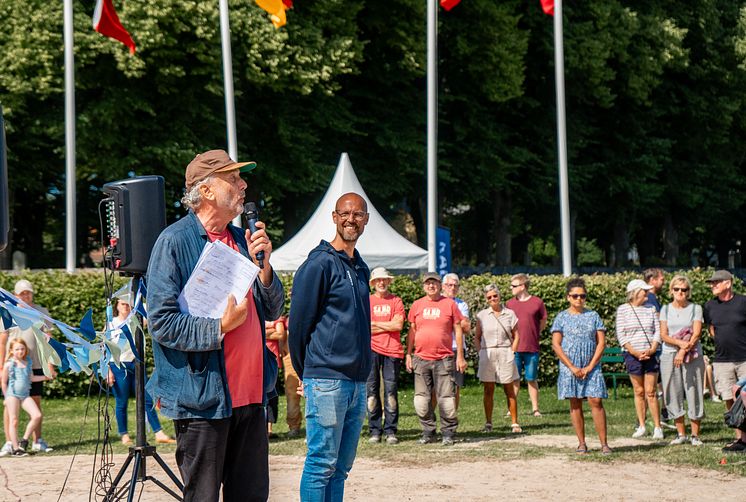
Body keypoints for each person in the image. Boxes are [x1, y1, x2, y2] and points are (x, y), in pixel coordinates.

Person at [146, 149, 284, 502]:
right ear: (206, 191)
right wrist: (219, 327)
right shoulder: (174, 242)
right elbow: (161, 324)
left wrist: (265, 269)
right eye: (234, 179)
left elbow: (273, 309)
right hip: (203, 400)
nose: (244, 185)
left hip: (253, 396)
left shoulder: (242, 241)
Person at [289, 192, 372, 502]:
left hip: (357, 382)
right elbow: (298, 326)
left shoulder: (361, 268)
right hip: (326, 380)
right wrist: (306, 373)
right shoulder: (318, 264)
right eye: (345, 214)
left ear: (366, 220)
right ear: (335, 218)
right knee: (321, 463)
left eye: (358, 214)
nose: (351, 219)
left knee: (340, 469)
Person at [550, 277, 611, 455]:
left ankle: (604, 443)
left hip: (591, 364)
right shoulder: (561, 317)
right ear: (568, 297)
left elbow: (601, 343)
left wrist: (590, 366)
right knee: (575, 402)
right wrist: (572, 367)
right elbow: (556, 345)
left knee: (596, 400)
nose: (579, 299)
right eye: (575, 296)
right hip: (570, 366)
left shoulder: (593, 316)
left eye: (582, 296)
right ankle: (581, 443)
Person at [406, 272, 467, 446]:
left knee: (446, 399)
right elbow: (412, 331)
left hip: (444, 359)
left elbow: (459, 330)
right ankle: (428, 431)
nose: (431, 286)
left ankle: (448, 433)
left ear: (440, 285)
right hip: (420, 358)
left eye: (434, 283)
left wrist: (460, 356)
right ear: (423, 286)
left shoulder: (449, 304)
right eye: (428, 283)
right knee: (421, 400)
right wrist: (408, 354)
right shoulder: (417, 305)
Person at [106, 293, 175, 445]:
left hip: (136, 363)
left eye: (128, 304)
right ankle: (124, 434)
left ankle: (159, 433)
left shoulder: (136, 319)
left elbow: (150, 310)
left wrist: (136, 299)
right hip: (118, 366)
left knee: (147, 399)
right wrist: (108, 371)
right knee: (121, 401)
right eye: (123, 304)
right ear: (117, 306)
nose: (126, 307)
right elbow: (105, 350)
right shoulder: (111, 324)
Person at [0, 279, 56, 456]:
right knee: (10, 405)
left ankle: (37, 440)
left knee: (36, 402)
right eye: (22, 293)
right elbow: (2, 341)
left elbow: (49, 340)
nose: (25, 295)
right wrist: (1, 366)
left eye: (28, 292)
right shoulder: (8, 312)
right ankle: (10, 442)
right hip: (14, 365)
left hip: (36, 363)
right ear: (16, 295)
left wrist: (50, 364)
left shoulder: (41, 312)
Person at [659, 275, 705, 446]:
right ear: (671, 291)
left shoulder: (696, 308)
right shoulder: (665, 309)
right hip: (669, 354)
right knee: (672, 391)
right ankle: (680, 434)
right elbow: (664, 335)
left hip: (692, 355)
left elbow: (697, 333)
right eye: (677, 289)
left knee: (694, 390)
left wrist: (683, 351)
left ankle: (695, 435)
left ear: (688, 291)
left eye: (684, 289)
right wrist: (679, 345)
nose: (680, 292)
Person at [703, 270, 746, 453]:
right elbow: (711, 329)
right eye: (712, 283)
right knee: (730, 399)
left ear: (728, 283)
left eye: (716, 282)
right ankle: (740, 439)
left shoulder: (743, 302)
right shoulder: (709, 306)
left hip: (744, 358)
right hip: (722, 360)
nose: (713, 285)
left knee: (745, 398)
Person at [616, 279, 663, 440]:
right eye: (644, 290)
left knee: (651, 391)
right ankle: (642, 425)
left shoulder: (650, 309)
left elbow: (658, 331)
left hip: (650, 353)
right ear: (636, 292)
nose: (647, 293)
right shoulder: (622, 310)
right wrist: (635, 353)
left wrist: (652, 348)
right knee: (639, 391)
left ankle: (658, 427)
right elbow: (621, 335)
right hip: (632, 355)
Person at [475, 284, 521, 434]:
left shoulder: (510, 314)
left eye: (495, 296)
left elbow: (516, 335)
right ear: (486, 299)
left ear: (499, 296)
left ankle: (514, 422)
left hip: (505, 351)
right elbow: (477, 336)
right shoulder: (481, 315)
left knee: (509, 388)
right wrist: (480, 352)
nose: (492, 299)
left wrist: (512, 352)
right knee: (488, 389)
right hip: (487, 353)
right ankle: (488, 423)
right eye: (489, 297)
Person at [366, 266, 405, 445]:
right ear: (373, 283)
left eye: (384, 280)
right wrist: (386, 324)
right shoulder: (367, 301)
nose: (381, 283)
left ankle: (390, 430)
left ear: (388, 281)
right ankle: (375, 430)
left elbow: (398, 326)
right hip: (370, 350)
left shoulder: (396, 301)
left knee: (391, 392)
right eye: (378, 280)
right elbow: (363, 326)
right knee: (371, 392)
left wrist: (375, 324)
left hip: (392, 351)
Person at [506, 273, 547, 417]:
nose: (511, 288)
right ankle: (511, 408)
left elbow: (543, 322)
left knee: (531, 378)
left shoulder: (537, 302)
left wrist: (534, 333)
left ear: (522, 287)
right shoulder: (509, 304)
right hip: (514, 349)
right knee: (514, 380)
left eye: (514, 285)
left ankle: (535, 408)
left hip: (532, 348)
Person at [2, 338, 50, 456]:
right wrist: (6, 397)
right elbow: (3, 382)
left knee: (37, 415)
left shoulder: (27, 362)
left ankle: (24, 440)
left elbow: (31, 378)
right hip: (12, 395)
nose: (20, 351)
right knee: (14, 420)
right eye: (17, 349)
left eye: (22, 349)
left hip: (24, 395)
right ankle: (15, 448)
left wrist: (46, 377)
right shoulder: (9, 364)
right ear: (12, 351)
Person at [441, 273, 470, 409]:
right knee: (438, 386)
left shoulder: (462, 304)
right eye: (449, 285)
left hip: (457, 348)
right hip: (440, 349)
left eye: (455, 285)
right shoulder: (437, 302)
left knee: (455, 387)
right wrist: (456, 322)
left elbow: (466, 327)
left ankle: (452, 417)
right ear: (443, 286)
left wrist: (446, 322)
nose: (452, 288)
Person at [278, 315, 303, 437]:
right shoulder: (287, 316)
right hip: (290, 355)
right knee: (291, 392)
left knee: (312, 391)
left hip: (307, 352)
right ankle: (294, 426)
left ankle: (313, 426)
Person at [265, 319, 284, 438]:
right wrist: (271, 330)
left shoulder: (277, 318)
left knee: (272, 397)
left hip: (273, 363)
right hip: (257, 362)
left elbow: (281, 334)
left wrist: (263, 331)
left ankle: (269, 430)